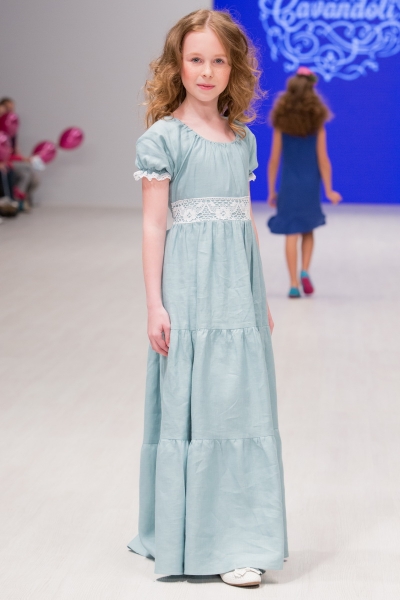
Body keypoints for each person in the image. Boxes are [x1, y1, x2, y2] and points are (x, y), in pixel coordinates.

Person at [128, 9, 288, 587]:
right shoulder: (162, 139)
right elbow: (154, 226)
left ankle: (243, 537)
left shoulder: (242, 139)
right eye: (195, 59)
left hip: (237, 298)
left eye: (218, 60)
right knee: (197, 407)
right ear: (177, 65)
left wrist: (259, 296)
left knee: (239, 408)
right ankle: (194, 535)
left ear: (233, 68)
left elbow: (243, 221)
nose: (206, 71)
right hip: (190, 295)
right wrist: (155, 304)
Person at [266, 67, 342, 298]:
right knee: (308, 229)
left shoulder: (281, 124)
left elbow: (274, 160)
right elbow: (323, 160)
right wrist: (329, 189)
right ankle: (305, 271)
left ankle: (293, 284)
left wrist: (271, 191)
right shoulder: (317, 124)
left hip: (289, 184)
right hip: (310, 185)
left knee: (291, 232)